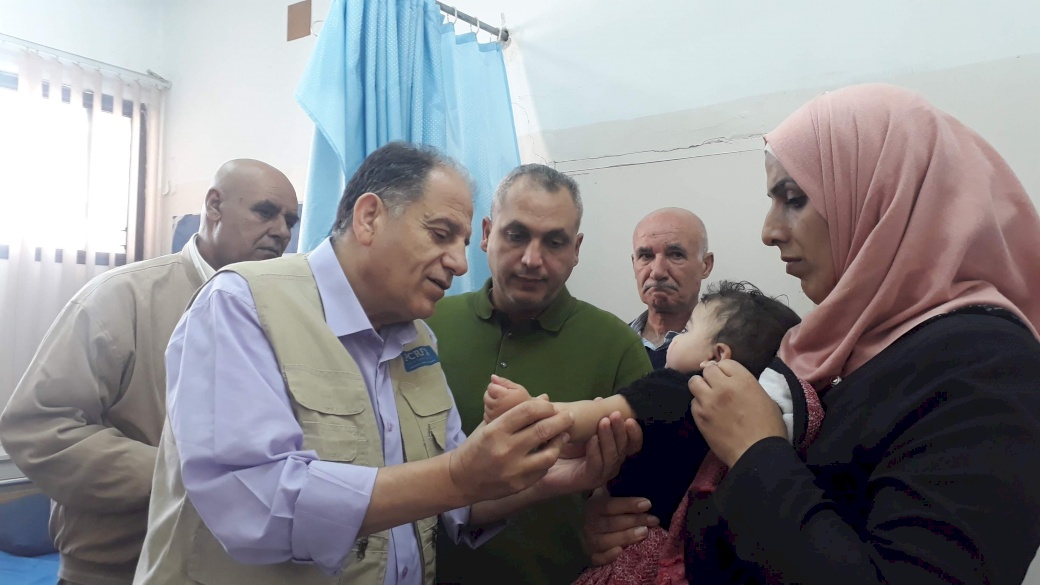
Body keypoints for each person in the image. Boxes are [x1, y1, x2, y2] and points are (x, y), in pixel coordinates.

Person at [585, 83, 1040, 584]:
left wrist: (756, 450)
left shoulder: (988, 364)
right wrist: (635, 523)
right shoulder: (847, 347)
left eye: (794, 199)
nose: (769, 230)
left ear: (880, 198)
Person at [133, 142, 637, 585]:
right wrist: (460, 475)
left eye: (462, 243)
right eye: (442, 234)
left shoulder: (416, 339)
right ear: (369, 216)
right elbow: (256, 505)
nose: (461, 262)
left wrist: (553, 477)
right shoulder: (243, 304)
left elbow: (455, 497)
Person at [0, 160, 298, 585]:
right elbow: (38, 427)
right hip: (116, 569)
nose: (283, 231)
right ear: (214, 205)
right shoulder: (120, 298)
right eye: (266, 212)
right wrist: (184, 477)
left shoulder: (288, 315)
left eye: (291, 220)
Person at [484, 281, 813, 584]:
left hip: (633, 558)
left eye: (686, 331)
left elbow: (592, 417)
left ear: (717, 356)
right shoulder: (777, 416)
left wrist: (527, 409)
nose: (673, 338)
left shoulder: (674, 388)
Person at [426, 163, 652, 585]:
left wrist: (608, 522)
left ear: (577, 249)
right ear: (487, 233)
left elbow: (644, 491)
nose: (532, 259)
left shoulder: (617, 346)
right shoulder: (426, 327)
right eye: (516, 235)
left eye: (554, 242)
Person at [628, 208, 714, 369]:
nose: (657, 272)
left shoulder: (726, 351)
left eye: (675, 255)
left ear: (706, 265)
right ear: (634, 264)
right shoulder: (611, 344)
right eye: (646, 256)